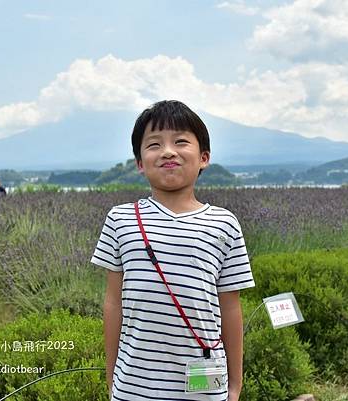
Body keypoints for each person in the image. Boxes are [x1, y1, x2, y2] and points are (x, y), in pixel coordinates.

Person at [91, 100, 255, 401]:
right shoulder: (120, 219)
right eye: (154, 144)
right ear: (140, 163)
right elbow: (113, 302)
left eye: (181, 141)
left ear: (204, 157)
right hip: (133, 387)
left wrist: (235, 384)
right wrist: (112, 377)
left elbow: (230, 307)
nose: (168, 151)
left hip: (205, 384)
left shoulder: (224, 223)